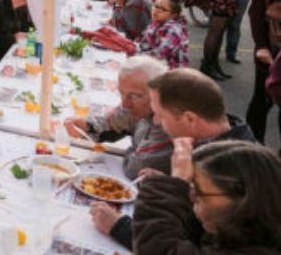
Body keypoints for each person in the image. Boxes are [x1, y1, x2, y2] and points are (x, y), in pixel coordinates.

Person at [89, 68, 256, 250]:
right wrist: (171, 186)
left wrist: (121, 228)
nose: (157, 123)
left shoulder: (230, 173)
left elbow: (192, 243)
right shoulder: (223, 143)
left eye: (160, 115)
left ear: (190, 119)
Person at [133, 139, 281, 254]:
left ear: (243, 202)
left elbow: (160, 248)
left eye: (198, 191)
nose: (191, 196)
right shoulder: (238, 231)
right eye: (190, 187)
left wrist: (171, 187)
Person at [63, 56, 172, 180]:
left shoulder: (168, 123)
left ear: (157, 93)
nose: (125, 104)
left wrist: (130, 151)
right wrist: (87, 126)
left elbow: (135, 170)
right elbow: (112, 123)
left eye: (134, 96)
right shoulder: (141, 106)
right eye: (122, 93)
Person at [246, 0, 281, 144]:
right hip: (273, 48)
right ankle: (252, 147)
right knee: (262, 99)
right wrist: (262, 46)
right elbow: (256, 12)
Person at [136, 0, 190, 69]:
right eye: (155, 6)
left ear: (173, 15)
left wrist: (134, 53)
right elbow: (142, 41)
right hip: (156, 64)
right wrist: (131, 46)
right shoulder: (156, 23)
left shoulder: (174, 30)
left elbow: (159, 54)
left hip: (172, 72)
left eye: (163, 9)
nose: (156, 10)